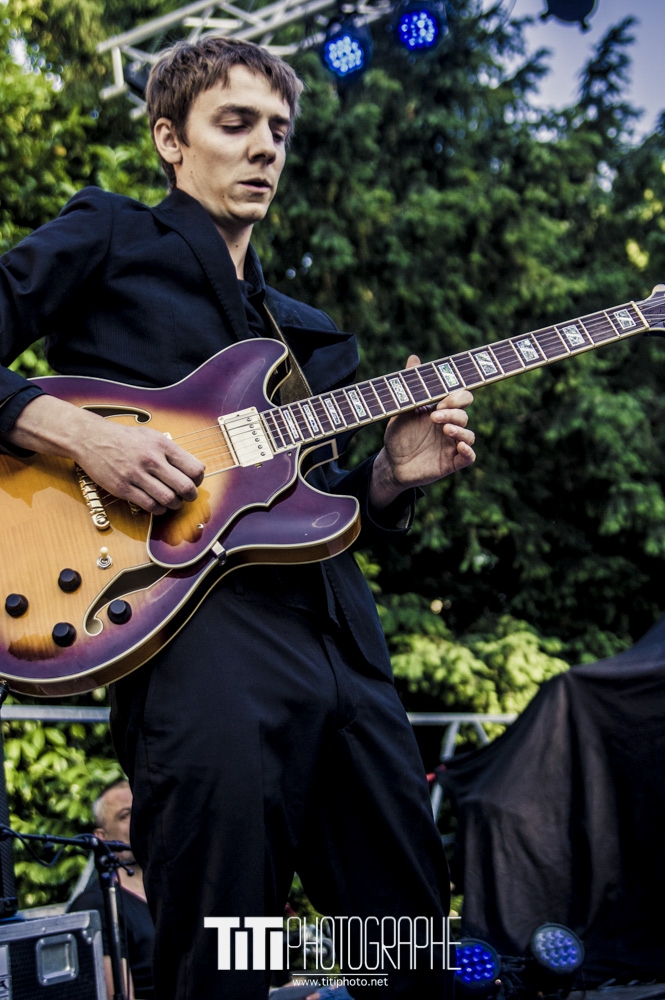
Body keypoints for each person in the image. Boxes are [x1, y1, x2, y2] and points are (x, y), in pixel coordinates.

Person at [0, 37, 475, 999]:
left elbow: (314, 509)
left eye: (279, 131)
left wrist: (389, 479)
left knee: (408, 945)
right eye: (235, 123)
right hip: (194, 639)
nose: (265, 147)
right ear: (170, 140)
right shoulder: (111, 235)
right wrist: (81, 437)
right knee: (224, 951)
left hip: (340, 643)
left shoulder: (302, 333)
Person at [69, 780, 155, 1000]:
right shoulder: (97, 905)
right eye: (127, 814)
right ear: (102, 837)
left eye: (144, 809)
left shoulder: (176, 892)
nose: (141, 819)